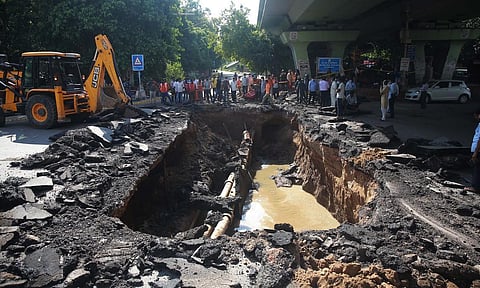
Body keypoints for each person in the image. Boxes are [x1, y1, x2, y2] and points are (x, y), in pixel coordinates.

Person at [465, 107, 480, 193]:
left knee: (477, 168)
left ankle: (475, 187)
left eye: (476, 116)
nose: (475, 117)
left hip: (478, 151)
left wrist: (475, 153)